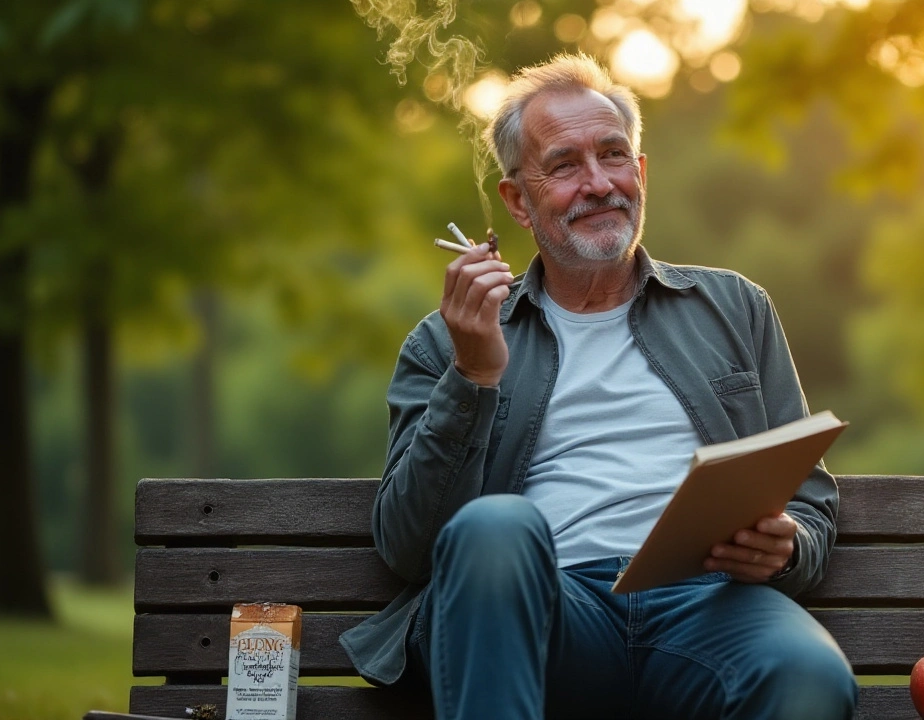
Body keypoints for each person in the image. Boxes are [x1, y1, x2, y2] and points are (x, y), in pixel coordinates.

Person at [340, 53, 858, 720]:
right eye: (563, 165)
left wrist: (789, 546)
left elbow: (810, 504)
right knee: (498, 525)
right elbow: (408, 548)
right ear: (517, 202)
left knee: (809, 675)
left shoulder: (736, 308)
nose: (598, 184)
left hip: (709, 608)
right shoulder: (448, 341)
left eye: (614, 156)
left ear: (640, 174)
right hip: (549, 614)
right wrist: (473, 376)